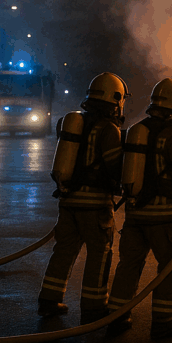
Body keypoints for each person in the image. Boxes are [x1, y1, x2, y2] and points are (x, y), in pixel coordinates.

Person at [107, 78, 172, 339]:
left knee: (129, 265)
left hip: (134, 216)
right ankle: (164, 321)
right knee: (171, 265)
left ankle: (117, 317)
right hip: (164, 219)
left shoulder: (134, 131)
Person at [38, 72, 128, 324]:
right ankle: (93, 307)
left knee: (64, 250)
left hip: (68, 202)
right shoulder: (109, 130)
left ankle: (48, 300)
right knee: (99, 254)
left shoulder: (75, 123)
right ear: (116, 99)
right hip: (95, 206)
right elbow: (115, 168)